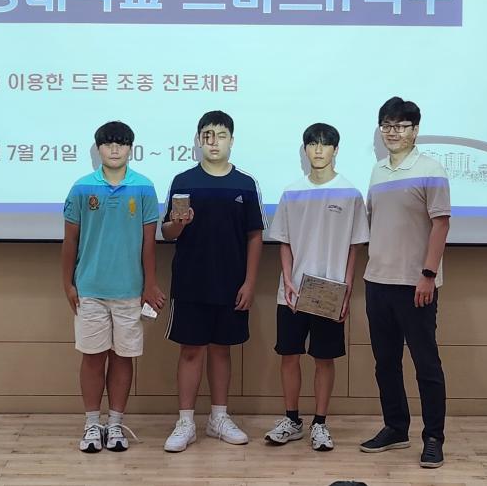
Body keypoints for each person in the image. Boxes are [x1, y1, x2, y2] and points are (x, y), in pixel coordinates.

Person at [161, 110, 265, 452]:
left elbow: (254, 235)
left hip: (231, 284)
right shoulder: (183, 181)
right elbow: (168, 232)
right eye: (207, 135)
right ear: (198, 140)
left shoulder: (245, 183)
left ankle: (218, 418)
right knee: (191, 350)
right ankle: (186, 422)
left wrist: (250, 282)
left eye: (220, 135)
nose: (213, 141)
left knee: (222, 350)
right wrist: (179, 223)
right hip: (190, 282)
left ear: (231, 140)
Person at [61, 121, 165, 453]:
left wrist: (150, 284)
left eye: (121, 143)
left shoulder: (144, 187)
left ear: (131, 148)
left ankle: (116, 424)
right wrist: (67, 283)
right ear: (98, 149)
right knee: (93, 357)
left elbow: (149, 243)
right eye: (108, 144)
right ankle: (92, 424)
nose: (115, 149)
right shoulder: (81, 188)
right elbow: (70, 240)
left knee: (123, 358)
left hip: (130, 291)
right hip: (90, 289)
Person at [359, 97, 451, 469]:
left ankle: (434, 438)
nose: (392, 132)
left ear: (415, 130)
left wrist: (427, 274)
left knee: (426, 364)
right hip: (377, 280)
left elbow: (441, 224)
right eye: (386, 125)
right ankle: (396, 428)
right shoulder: (377, 171)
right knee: (385, 363)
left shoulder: (431, 169)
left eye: (400, 125)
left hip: (416, 284)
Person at [264, 123, 369, 451]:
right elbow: (284, 241)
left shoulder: (350, 193)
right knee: (289, 355)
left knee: (324, 358)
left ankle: (320, 424)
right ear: (305, 149)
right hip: (293, 291)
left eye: (325, 145)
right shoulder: (291, 192)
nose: (318, 150)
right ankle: (292, 420)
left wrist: (347, 288)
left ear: (336, 150)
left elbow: (354, 247)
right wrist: (288, 279)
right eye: (312, 144)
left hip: (330, 291)